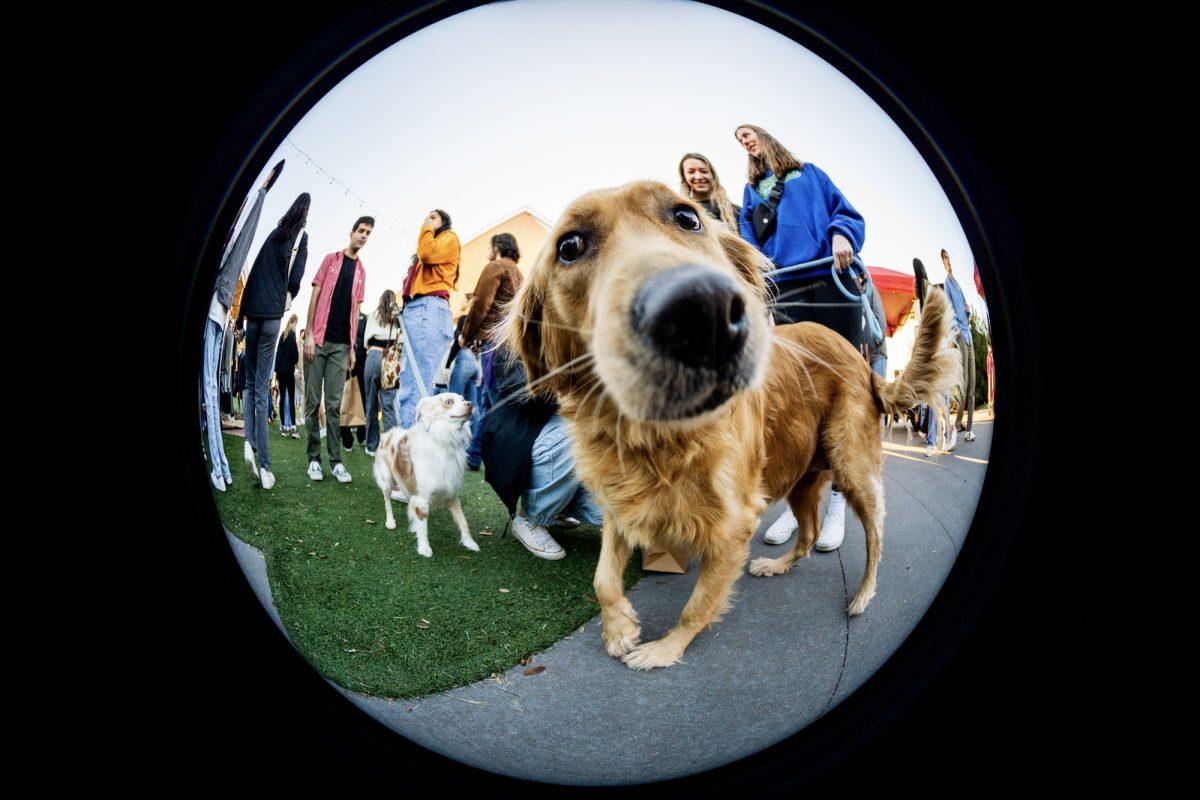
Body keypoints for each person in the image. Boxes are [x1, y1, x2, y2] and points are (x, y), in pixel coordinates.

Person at [735, 124, 866, 552]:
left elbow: (844, 212)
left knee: (843, 389)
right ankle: (799, 509)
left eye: (749, 134)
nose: (746, 142)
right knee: (798, 399)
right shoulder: (751, 192)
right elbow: (748, 245)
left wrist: (842, 234)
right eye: (740, 140)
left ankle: (838, 507)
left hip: (829, 276)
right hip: (786, 288)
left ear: (767, 138)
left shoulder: (810, 174)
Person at [202, 161, 282, 492]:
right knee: (228, 387)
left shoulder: (250, 232)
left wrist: (262, 191)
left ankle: (226, 464)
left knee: (219, 387)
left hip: (224, 310)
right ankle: (230, 461)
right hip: (225, 311)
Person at [481, 344, 603, 560]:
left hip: (552, 439)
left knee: (611, 516)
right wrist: (577, 390)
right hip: (521, 440)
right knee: (576, 429)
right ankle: (531, 519)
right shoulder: (512, 344)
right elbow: (529, 397)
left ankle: (560, 506)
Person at [238, 192, 310, 489]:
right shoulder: (301, 236)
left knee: (252, 386)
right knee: (261, 387)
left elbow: (253, 271)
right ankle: (265, 466)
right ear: (305, 213)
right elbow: (296, 281)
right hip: (271, 316)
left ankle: (248, 442)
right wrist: (286, 295)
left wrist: (242, 315)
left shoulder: (273, 234)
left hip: (252, 313)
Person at [304, 216, 371, 483]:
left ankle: (335, 462)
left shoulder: (362, 272)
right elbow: (315, 297)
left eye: (368, 233)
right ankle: (313, 460)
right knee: (311, 403)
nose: (364, 236)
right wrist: (309, 334)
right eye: (361, 231)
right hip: (318, 341)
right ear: (352, 232)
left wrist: (353, 347)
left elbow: (356, 311)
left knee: (334, 405)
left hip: (342, 346)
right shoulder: (330, 260)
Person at [459, 232, 523, 470]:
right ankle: (475, 455)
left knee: (492, 400)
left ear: (497, 247)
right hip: (513, 344)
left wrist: (465, 335)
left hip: (495, 343)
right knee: (493, 399)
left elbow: (480, 304)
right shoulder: (520, 274)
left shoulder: (496, 266)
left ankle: (487, 458)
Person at [395, 210, 460, 429]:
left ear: (444, 223)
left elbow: (427, 254)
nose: (427, 220)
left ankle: (408, 454)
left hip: (428, 309)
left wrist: (426, 229)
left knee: (414, 386)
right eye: (426, 217)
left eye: (433, 217)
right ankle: (416, 448)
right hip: (422, 310)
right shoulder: (432, 246)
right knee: (414, 382)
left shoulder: (448, 238)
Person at [941, 248, 976, 443]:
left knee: (972, 383)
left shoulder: (959, 285)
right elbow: (950, 310)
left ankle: (969, 428)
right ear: (943, 262)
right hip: (961, 335)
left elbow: (964, 309)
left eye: (948, 257)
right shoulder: (947, 284)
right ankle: (958, 422)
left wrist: (968, 310)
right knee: (963, 382)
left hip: (969, 334)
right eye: (944, 258)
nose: (947, 260)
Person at [362, 290, 400, 456]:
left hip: (373, 355)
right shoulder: (397, 318)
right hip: (389, 359)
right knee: (388, 406)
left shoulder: (373, 315)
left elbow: (365, 342)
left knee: (371, 404)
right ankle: (391, 446)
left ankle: (372, 446)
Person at [678, 152, 740, 232]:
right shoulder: (683, 214)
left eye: (703, 171)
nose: (698, 177)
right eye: (691, 172)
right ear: (684, 178)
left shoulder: (736, 211)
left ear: (712, 175)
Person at [341, 310, 369, 452]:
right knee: (346, 400)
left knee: (362, 399)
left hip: (361, 364)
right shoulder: (345, 315)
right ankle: (347, 439)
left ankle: (361, 433)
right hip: (346, 363)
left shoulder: (365, 318)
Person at [276, 314, 300, 438]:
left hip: (280, 372)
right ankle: (293, 427)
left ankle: (284, 427)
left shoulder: (282, 336)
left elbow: (278, 355)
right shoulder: (292, 336)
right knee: (291, 399)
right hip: (289, 371)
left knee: (282, 398)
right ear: (294, 322)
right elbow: (295, 357)